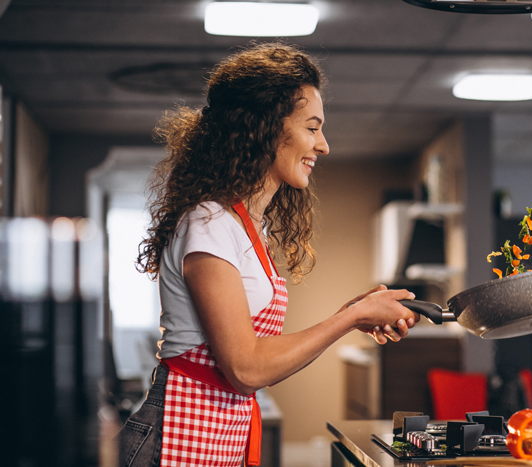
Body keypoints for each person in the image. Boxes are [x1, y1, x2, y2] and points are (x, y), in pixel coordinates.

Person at [116, 42, 419, 467]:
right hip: (175, 438)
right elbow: (246, 369)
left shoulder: (244, 224)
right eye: (312, 127)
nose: (324, 145)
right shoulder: (209, 223)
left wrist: (359, 311)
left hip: (216, 436)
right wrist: (348, 318)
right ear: (266, 128)